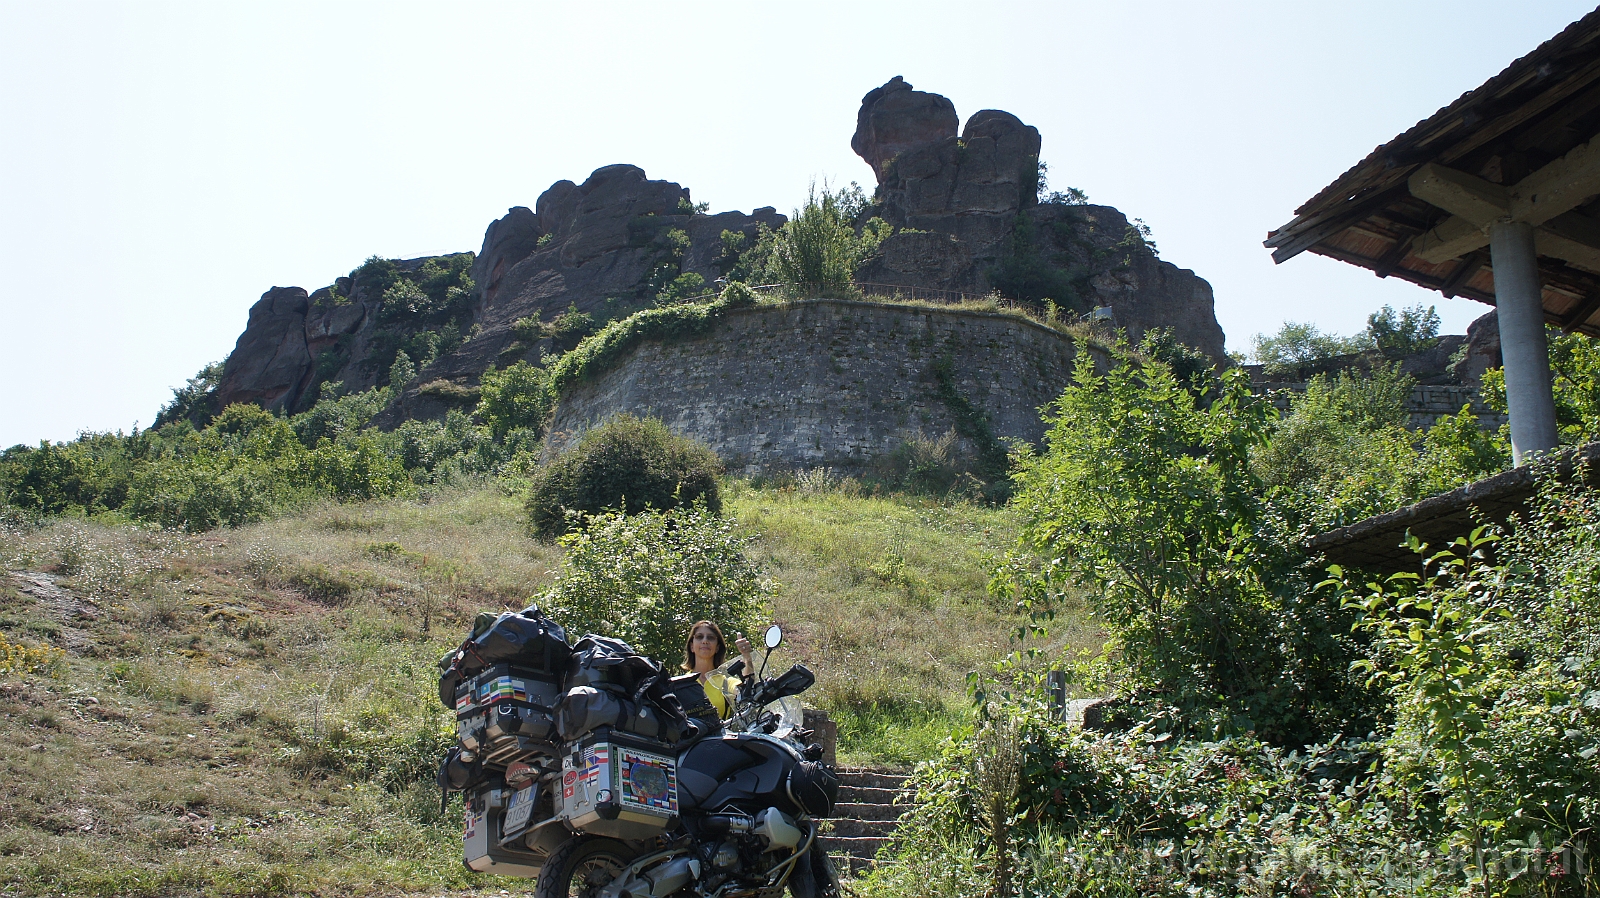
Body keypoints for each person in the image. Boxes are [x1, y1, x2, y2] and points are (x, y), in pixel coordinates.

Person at [682, 620, 753, 719]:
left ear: (717, 648)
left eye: (710, 638)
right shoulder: (681, 684)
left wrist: (747, 656)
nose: (705, 641)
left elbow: (747, 690)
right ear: (692, 646)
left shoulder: (726, 683)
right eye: (699, 637)